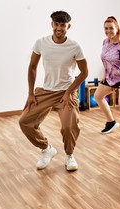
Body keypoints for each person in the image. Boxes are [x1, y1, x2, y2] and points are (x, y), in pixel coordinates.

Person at [19, 10, 88, 171]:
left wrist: (69, 92)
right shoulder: (41, 43)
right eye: (56, 24)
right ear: (52, 25)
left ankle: (69, 155)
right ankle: (47, 149)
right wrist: (30, 93)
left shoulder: (74, 46)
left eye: (62, 25)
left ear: (68, 26)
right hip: (46, 91)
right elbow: (32, 67)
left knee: (68, 126)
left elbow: (85, 72)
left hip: (67, 91)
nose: (59, 28)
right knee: (24, 121)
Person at [93, 16, 120, 139]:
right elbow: (105, 59)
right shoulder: (105, 42)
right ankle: (111, 122)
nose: (108, 31)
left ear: (117, 28)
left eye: (111, 28)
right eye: (106, 28)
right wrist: (104, 74)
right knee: (98, 96)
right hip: (110, 75)